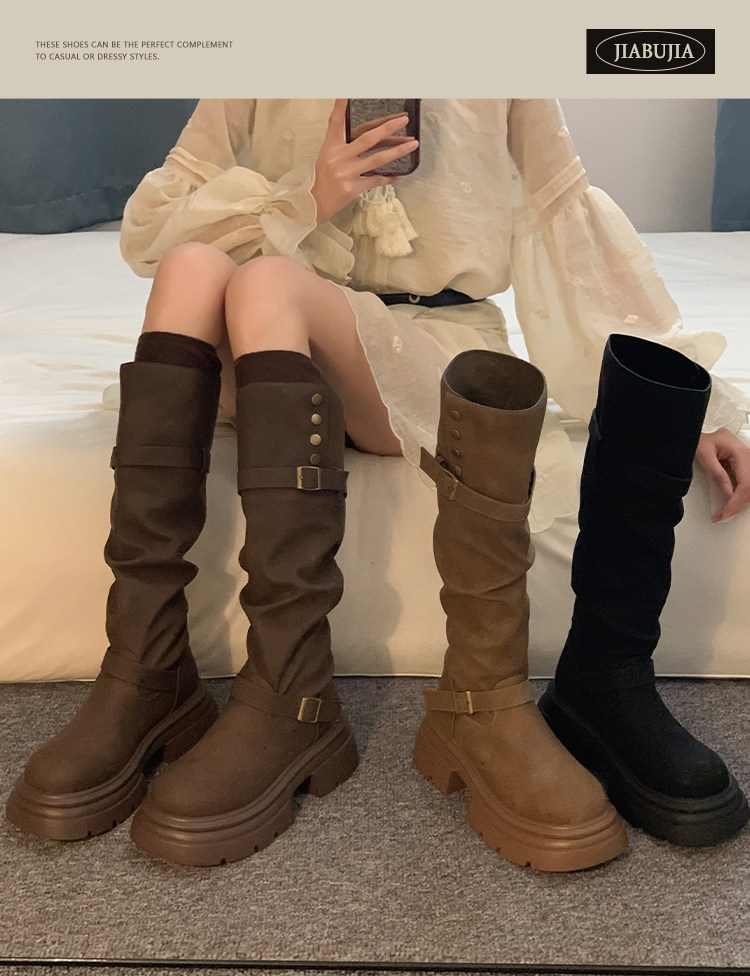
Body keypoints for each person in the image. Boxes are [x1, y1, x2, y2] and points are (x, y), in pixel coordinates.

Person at [6, 99, 749, 869]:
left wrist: (689, 404)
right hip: (274, 349)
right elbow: (151, 230)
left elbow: (568, 225)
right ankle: (149, 669)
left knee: (265, 283)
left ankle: (300, 695)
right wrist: (309, 197)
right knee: (195, 267)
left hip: (420, 350)